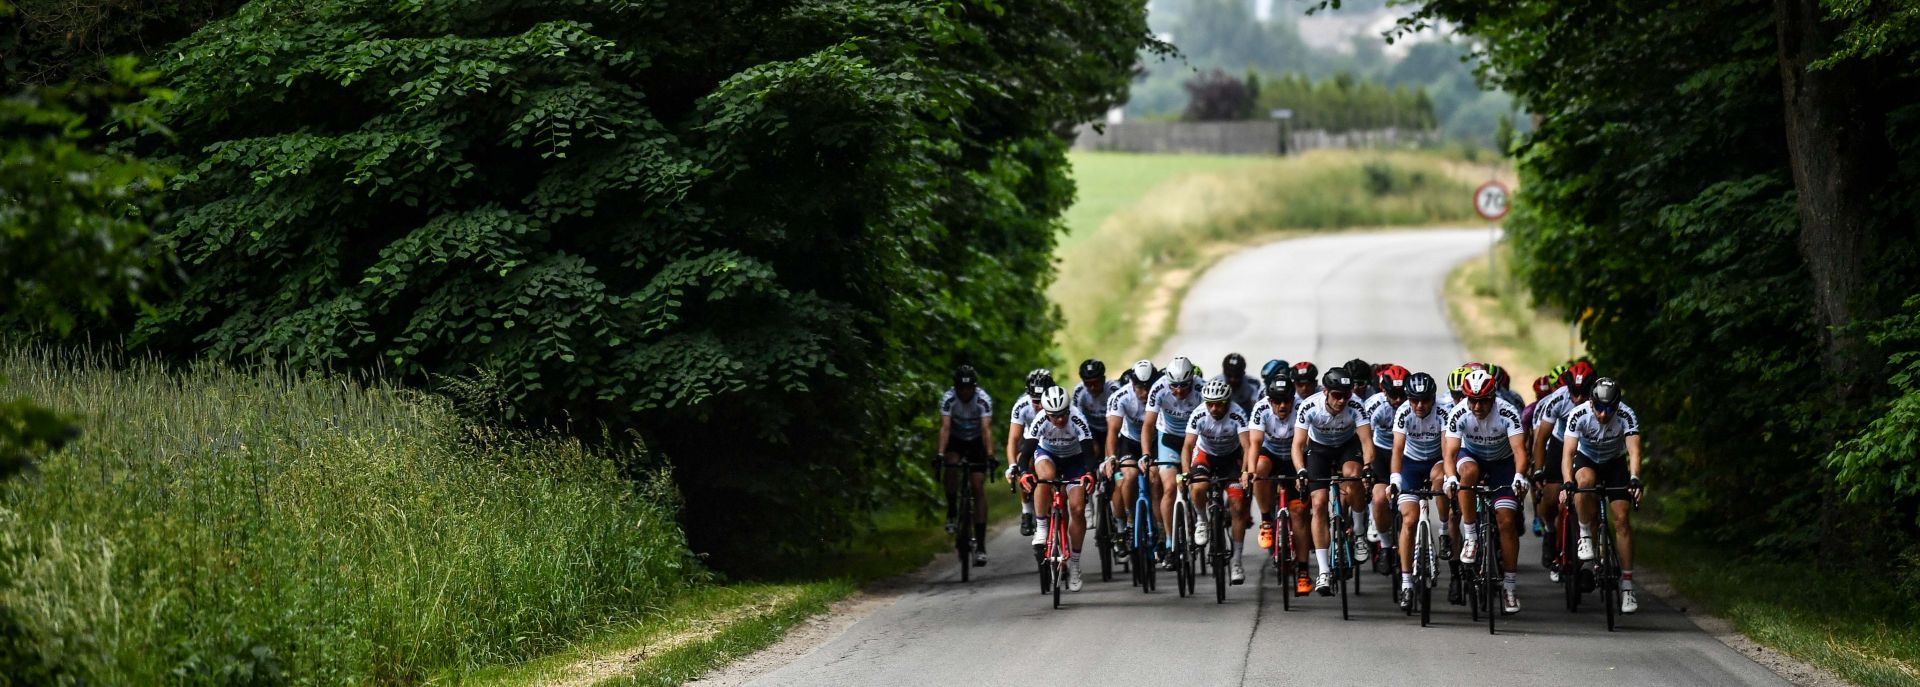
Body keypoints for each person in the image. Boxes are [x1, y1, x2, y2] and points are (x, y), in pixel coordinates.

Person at [1442, 369, 1531, 615]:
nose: (1477, 406)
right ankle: (1470, 536)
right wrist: (1450, 478)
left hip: (1502, 463)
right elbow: (1449, 454)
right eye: (1472, 400)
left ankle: (1509, 587)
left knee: (1506, 521)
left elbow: (1519, 451)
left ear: (1493, 397)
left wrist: (1519, 477)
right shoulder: (1459, 412)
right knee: (1467, 474)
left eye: (1482, 400)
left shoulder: (1506, 411)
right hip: (1471, 457)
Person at [1561, 377, 1644, 613]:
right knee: (1583, 482)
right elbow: (1567, 454)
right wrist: (1568, 482)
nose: (1604, 414)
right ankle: (1585, 535)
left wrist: (1635, 478)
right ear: (1591, 402)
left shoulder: (1626, 415)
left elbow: (1634, 451)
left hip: (1614, 463)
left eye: (1610, 409)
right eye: (1599, 408)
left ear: (1617, 405)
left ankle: (1627, 586)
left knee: (1622, 520)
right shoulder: (1578, 415)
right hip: (1587, 459)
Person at [1291, 368, 1376, 595]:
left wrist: (1368, 466)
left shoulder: (1356, 405)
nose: (1341, 400)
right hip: (1319, 450)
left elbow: (1367, 441)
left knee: (1353, 475)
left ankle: (1358, 533)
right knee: (1318, 503)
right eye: (1336, 395)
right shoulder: (1310, 406)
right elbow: (1298, 444)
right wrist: (1300, 470)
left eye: (1346, 395)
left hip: (1347, 447)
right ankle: (1323, 571)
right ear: (1325, 391)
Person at [1023, 386, 1098, 591]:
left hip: (1075, 460)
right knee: (1044, 478)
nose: (1059, 420)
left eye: (1063, 414)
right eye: (1054, 416)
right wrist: (1023, 473)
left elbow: (1089, 452)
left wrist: (1090, 473)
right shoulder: (1040, 419)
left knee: (1077, 509)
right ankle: (1041, 528)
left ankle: (1074, 564)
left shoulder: (1077, 418)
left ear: (1069, 409)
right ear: (1046, 413)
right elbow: (1027, 450)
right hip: (1048, 455)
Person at [1530, 360, 1595, 581]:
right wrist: (1539, 470)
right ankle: (1550, 530)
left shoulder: (1599, 399)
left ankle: (1593, 552)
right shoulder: (1556, 400)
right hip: (1559, 444)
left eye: (1583, 394)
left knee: (1589, 496)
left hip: (1587, 446)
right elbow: (1541, 440)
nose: (1578, 399)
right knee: (1551, 498)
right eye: (1574, 393)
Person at [1183, 379, 1252, 583]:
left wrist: (1246, 471)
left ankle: (1237, 562)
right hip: (1206, 456)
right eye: (1209, 403)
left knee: (1238, 506)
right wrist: (1187, 472)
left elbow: (1247, 447)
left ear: (1228, 401)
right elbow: (1188, 446)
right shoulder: (1199, 414)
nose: (1214, 408)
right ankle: (1202, 521)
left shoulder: (1237, 413)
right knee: (1198, 487)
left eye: (1219, 403)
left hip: (1231, 458)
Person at [1249, 376, 1312, 595]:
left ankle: (1303, 571)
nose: (1282, 405)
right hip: (1272, 455)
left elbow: (1309, 443)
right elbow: (1254, 444)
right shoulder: (1261, 409)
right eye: (1277, 401)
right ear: (1270, 400)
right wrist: (1248, 473)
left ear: (1292, 399)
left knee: (1299, 513)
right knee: (1259, 469)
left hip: (1297, 459)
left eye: (1286, 400)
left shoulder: (1302, 408)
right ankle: (1267, 520)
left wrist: (1304, 471)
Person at [1390, 372, 1447, 610]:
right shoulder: (1403, 412)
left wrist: (1449, 477)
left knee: (1441, 479)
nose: (1419, 405)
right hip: (1411, 464)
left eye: (1425, 400)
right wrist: (1394, 478)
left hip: (1436, 461)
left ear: (1433, 398)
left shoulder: (1443, 412)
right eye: (1414, 400)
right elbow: (1397, 449)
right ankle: (1406, 584)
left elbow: (1447, 449)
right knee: (1410, 520)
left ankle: (1444, 529)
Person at [1142, 356, 1202, 566]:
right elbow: (1148, 425)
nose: (1178, 390)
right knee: (1168, 488)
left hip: (1194, 439)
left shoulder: (1201, 389)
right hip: (1168, 438)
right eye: (1174, 385)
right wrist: (1146, 454)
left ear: (1192, 381)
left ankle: (1199, 519)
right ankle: (1170, 542)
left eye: (1183, 386)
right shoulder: (1159, 389)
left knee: (1196, 483)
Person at [938, 364, 995, 566]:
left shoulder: (983, 399)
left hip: (976, 442)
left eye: (968, 388)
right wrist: (940, 454)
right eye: (961, 389)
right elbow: (945, 428)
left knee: (978, 486)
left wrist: (989, 455)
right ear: (955, 388)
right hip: (956, 440)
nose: (965, 392)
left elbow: (986, 429)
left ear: (974, 387)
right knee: (951, 464)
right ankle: (952, 510)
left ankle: (980, 545)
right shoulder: (948, 399)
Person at [1105, 360, 1156, 545]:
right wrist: (1111, 457)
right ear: (1132, 385)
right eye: (1139, 388)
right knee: (1129, 475)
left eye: (1147, 387)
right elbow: (1112, 431)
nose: (1144, 393)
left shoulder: (1160, 393)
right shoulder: (1122, 397)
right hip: (1130, 442)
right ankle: (1129, 520)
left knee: (1155, 477)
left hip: (1154, 441)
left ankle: (1159, 525)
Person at [1364, 365, 1409, 552]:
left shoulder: (1416, 403)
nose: (1398, 400)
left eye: (1402, 395)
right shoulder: (1375, 406)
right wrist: (1366, 467)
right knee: (1380, 499)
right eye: (1393, 395)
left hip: (1407, 453)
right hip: (1381, 453)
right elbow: (1365, 439)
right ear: (1383, 390)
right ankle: (1385, 544)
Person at [1007, 368, 1054, 536]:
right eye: (1035, 401)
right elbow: (1013, 439)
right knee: (1023, 463)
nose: (1040, 405)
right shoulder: (1021, 406)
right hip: (1031, 442)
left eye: (1042, 400)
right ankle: (1027, 510)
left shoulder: (1058, 401)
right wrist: (1012, 466)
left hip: (1051, 442)